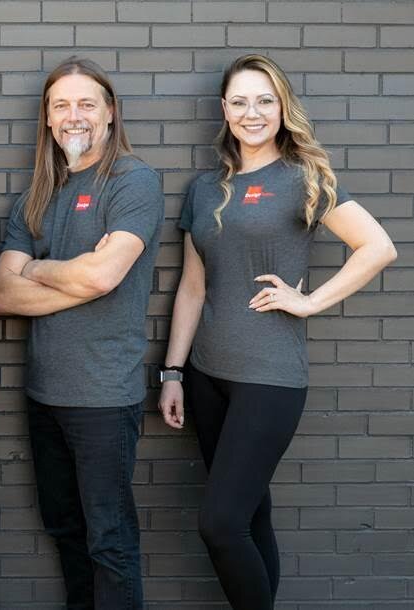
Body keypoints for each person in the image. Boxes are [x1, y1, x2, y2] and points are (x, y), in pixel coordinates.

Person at [158, 54, 397, 610]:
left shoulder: (303, 178)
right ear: (224, 110)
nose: (252, 112)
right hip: (207, 375)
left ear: (283, 107)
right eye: (240, 101)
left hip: (269, 379)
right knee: (249, 514)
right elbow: (193, 288)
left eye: (265, 100)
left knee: (219, 524)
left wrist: (310, 301)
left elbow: (378, 247)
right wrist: (173, 372)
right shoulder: (205, 188)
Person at [0, 57, 163, 610]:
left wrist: (39, 267)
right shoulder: (38, 195)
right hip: (45, 395)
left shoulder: (134, 181)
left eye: (86, 103)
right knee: (66, 533)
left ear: (110, 113)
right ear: (46, 118)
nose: (74, 116)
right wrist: (74, 275)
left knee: (109, 541)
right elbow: (4, 294)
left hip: (103, 399)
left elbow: (103, 274)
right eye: (61, 105)